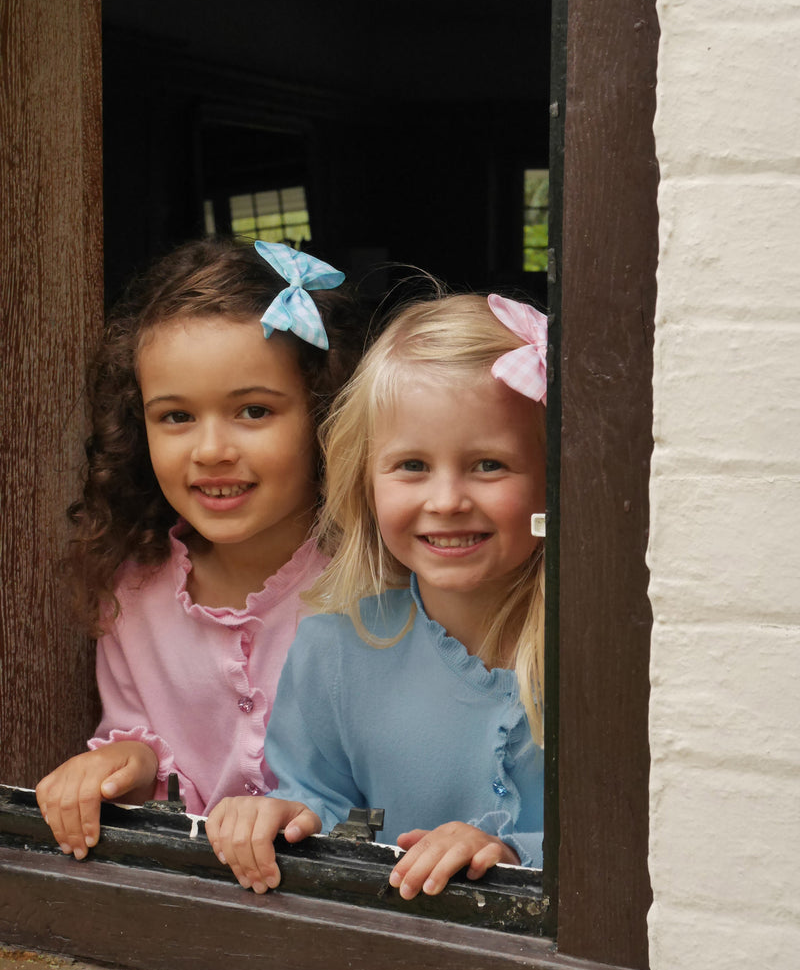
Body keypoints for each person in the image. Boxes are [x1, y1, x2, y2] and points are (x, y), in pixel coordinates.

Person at [206, 291, 548, 900]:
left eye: (489, 465)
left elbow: (650, 826)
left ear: (556, 476)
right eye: (412, 465)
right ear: (364, 480)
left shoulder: (605, 648)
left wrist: (513, 853)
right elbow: (318, 801)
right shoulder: (334, 649)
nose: (446, 501)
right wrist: (278, 817)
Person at [35, 237, 364, 860]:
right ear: (138, 428)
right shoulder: (131, 592)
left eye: (253, 410)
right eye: (176, 417)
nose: (211, 449)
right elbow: (139, 748)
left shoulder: (376, 586)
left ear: (326, 414)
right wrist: (120, 763)